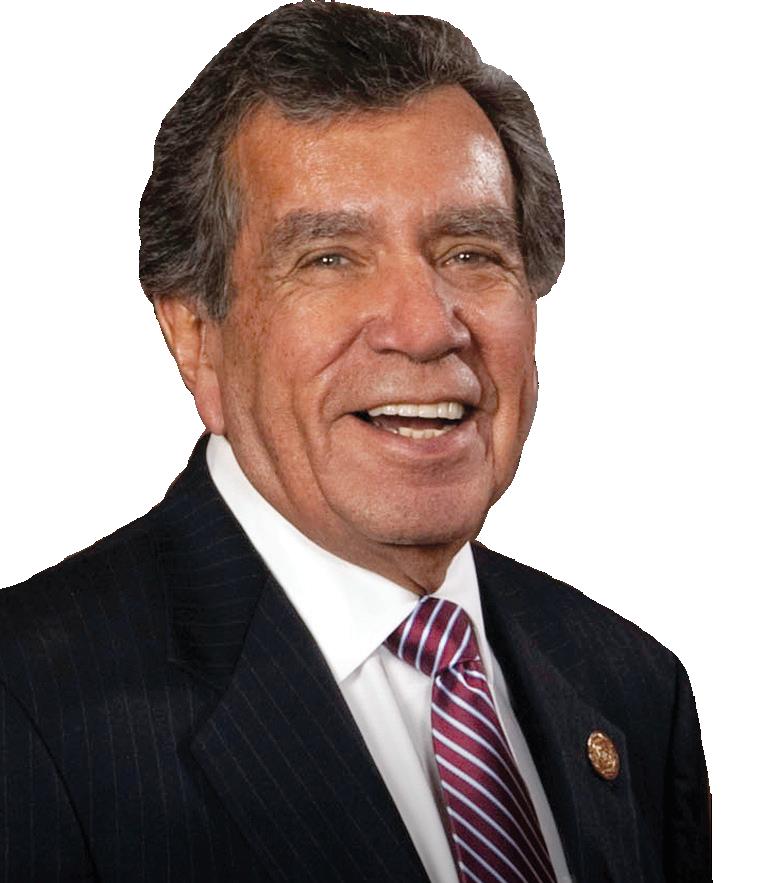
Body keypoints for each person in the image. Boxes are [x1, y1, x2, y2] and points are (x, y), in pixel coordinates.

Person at [0, 2, 710, 881]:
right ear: (195, 336)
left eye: (470, 252)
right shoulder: (26, 710)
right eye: (329, 258)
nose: (425, 328)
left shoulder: (632, 688)